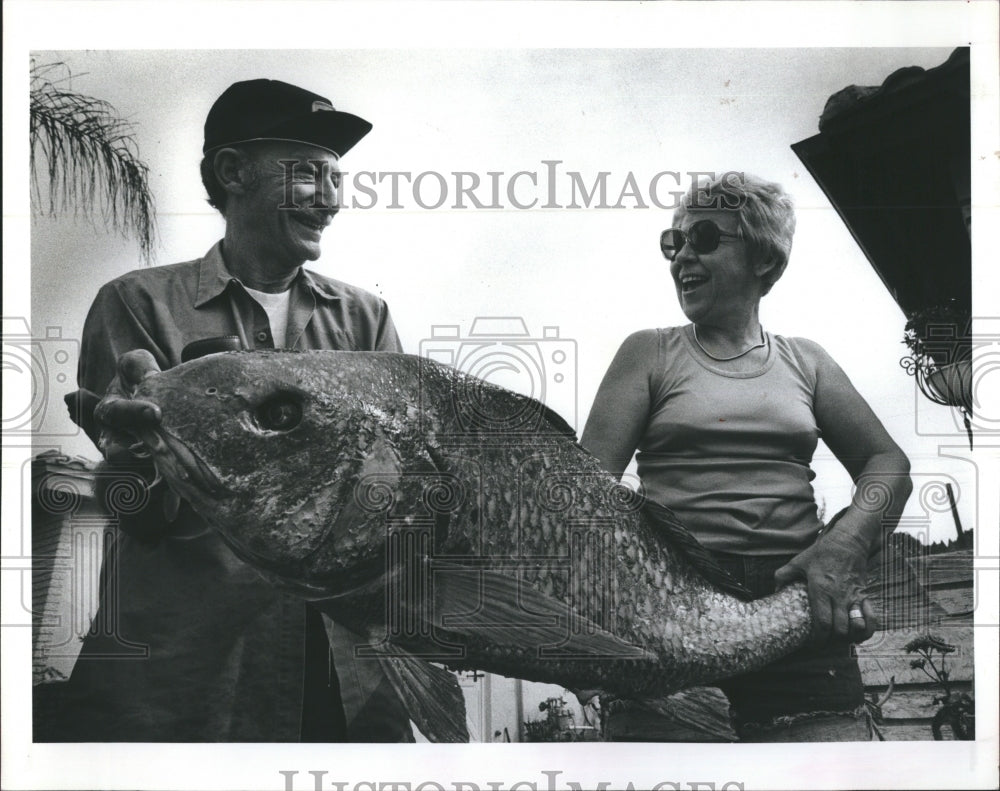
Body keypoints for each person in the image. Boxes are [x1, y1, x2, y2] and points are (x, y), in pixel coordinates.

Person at [40, 79, 413, 742]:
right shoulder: (136, 303)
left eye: (336, 177)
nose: (330, 197)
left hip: (346, 687)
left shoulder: (367, 317)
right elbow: (144, 510)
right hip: (185, 687)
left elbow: (394, 491)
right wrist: (138, 460)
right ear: (233, 171)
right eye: (308, 173)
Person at [580, 173, 912, 742]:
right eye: (674, 241)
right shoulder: (648, 353)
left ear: (765, 259)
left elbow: (888, 465)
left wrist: (845, 545)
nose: (682, 254)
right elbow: (579, 495)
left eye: (705, 238)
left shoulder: (807, 362)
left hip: (800, 609)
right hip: (670, 609)